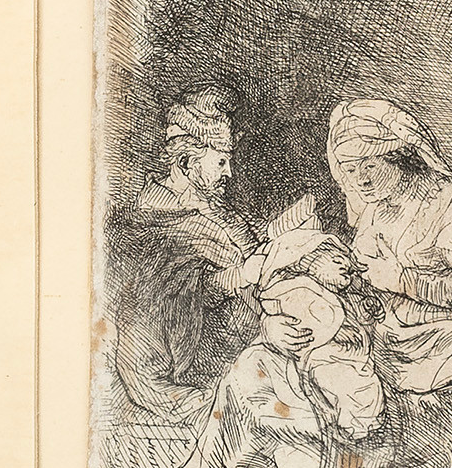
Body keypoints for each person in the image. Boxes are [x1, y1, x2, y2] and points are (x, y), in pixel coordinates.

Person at [118, 236, 402, 468]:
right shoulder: (291, 296)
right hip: (297, 399)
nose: (344, 262)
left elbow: (361, 351)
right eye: (331, 254)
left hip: (341, 410)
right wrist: (272, 329)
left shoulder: (355, 300)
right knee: (250, 370)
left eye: (346, 259)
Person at [105, 92, 307, 431]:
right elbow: (195, 292)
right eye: (221, 162)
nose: (229, 173)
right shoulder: (156, 225)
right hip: (184, 377)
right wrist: (248, 275)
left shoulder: (210, 206)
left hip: (243, 350)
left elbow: (243, 256)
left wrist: (285, 232)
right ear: (186, 163)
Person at [325, 98, 452, 402]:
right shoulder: (375, 210)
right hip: (395, 329)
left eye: (370, 165)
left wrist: (401, 280)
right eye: (350, 170)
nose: (360, 180)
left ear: (400, 158)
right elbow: (366, 274)